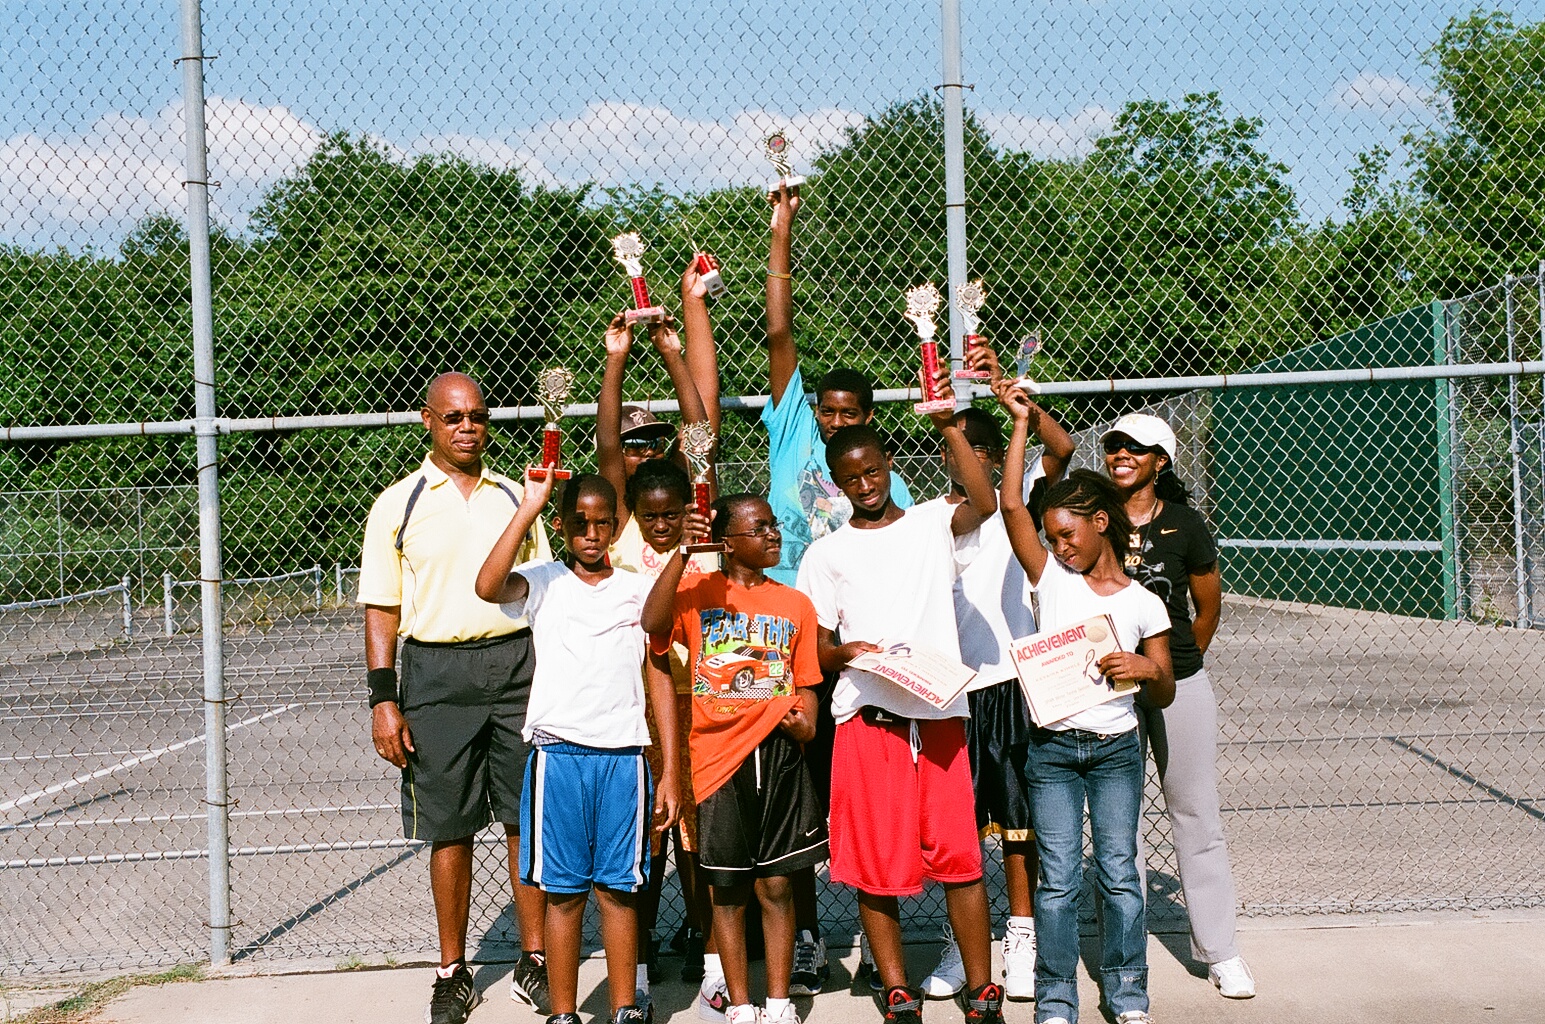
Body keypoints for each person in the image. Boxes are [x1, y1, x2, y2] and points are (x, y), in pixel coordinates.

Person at [795, 415, 1005, 1024]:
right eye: (850, 478)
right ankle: (896, 988)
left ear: (890, 464)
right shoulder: (827, 553)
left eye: (872, 470)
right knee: (876, 863)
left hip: (937, 715)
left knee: (960, 858)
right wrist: (847, 654)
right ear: (835, 483)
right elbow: (816, 647)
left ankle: (981, 987)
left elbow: (985, 502)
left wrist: (949, 426)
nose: (865, 485)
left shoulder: (931, 522)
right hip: (869, 718)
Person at [358, 372, 552, 1024]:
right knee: (449, 826)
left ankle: (534, 959)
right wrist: (383, 699)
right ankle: (452, 971)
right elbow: (382, 608)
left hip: (517, 665)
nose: (467, 427)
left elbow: (542, 588)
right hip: (437, 674)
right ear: (428, 421)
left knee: (526, 818)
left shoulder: (515, 495)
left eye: (477, 416)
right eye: (453, 417)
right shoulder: (398, 503)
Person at [763, 179, 914, 994]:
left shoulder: (886, 484)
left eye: (847, 412)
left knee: (851, 798)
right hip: (788, 639)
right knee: (792, 796)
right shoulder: (793, 431)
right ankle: (808, 938)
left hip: (852, 657)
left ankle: (878, 940)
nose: (832, 420)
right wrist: (781, 228)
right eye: (825, 409)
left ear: (868, 419)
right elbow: (778, 330)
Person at [995, 382, 1176, 1024]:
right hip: (1051, 751)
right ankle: (1055, 997)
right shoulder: (1052, 581)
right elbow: (1010, 506)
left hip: (1116, 751)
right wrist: (1021, 423)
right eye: (1051, 537)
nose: (1060, 546)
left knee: (1120, 874)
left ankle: (1127, 994)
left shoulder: (1143, 602)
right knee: (1059, 879)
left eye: (1068, 534)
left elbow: (1165, 686)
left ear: (1101, 522)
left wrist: (1144, 668)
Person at [474, 472, 681, 1024]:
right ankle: (563, 1013)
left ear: (616, 526)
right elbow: (487, 586)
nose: (592, 534)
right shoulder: (543, 580)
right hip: (560, 757)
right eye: (580, 523)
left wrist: (671, 771)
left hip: (624, 759)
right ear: (562, 525)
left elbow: (659, 674)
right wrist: (529, 507)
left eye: (603, 524)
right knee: (564, 896)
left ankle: (624, 1007)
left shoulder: (638, 588)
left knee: (619, 892)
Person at [915, 347, 1075, 1003]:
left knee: (1017, 824)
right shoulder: (931, 518)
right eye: (958, 450)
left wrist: (1020, 408)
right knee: (959, 830)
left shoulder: (1019, 497)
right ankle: (964, 944)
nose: (968, 459)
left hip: (1012, 682)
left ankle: (1022, 935)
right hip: (951, 690)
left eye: (980, 449)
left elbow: (1061, 450)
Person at [640, 493, 829, 1024]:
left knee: (777, 885)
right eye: (760, 527)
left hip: (779, 756)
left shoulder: (795, 604)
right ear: (727, 541)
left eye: (773, 524)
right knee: (727, 889)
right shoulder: (698, 593)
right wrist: (681, 553)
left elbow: (807, 681)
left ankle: (779, 1003)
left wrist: (809, 720)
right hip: (718, 760)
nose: (774, 534)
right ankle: (740, 1005)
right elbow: (651, 622)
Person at [1100, 413, 1255, 999]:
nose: (1121, 454)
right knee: (1120, 822)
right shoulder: (1094, 517)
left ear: (1160, 461)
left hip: (1178, 683)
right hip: (1109, 685)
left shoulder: (1185, 524)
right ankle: (1125, 947)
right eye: (1114, 446)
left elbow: (1207, 608)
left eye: (1135, 448)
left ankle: (1220, 951)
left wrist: (1175, 667)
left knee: (1196, 814)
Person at [597, 302, 722, 1003]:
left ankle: (707, 951)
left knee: (700, 839)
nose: (664, 523)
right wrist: (616, 360)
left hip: (699, 698)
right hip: (638, 705)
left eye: (673, 513)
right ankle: (639, 964)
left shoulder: (698, 519)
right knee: (644, 840)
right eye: (654, 516)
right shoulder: (623, 523)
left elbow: (700, 436)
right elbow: (607, 450)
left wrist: (673, 352)